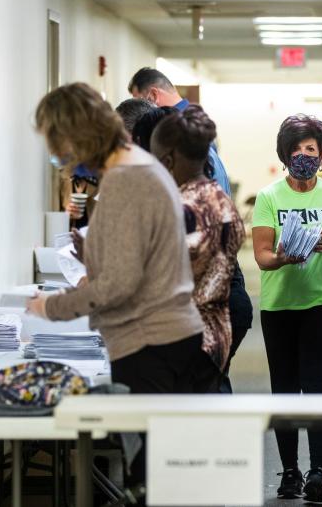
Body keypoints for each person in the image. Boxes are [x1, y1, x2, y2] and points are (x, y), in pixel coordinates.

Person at [26, 82, 216, 395]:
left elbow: (120, 283)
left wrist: (50, 307)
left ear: (77, 137)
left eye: (57, 144)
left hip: (151, 342)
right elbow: (142, 254)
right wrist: (94, 256)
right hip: (164, 337)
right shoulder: (136, 168)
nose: (57, 155)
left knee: (149, 444)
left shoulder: (126, 179)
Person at [126, 69, 252, 395]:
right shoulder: (202, 190)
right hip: (207, 317)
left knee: (198, 403)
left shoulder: (190, 203)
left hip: (201, 322)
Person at [251, 115, 322, 503]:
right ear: (284, 156)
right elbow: (260, 256)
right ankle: (290, 471)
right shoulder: (269, 197)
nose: (303, 156)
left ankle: (318, 471)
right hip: (279, 305)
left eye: (310, 149)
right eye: (296, 150)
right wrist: (281, 257)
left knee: (318, 386)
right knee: (285, 389)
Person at [150, 106, 246, 385]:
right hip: (213, 330)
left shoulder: (186, 208)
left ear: (168, 160)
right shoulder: (217, 197)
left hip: (187, 338)